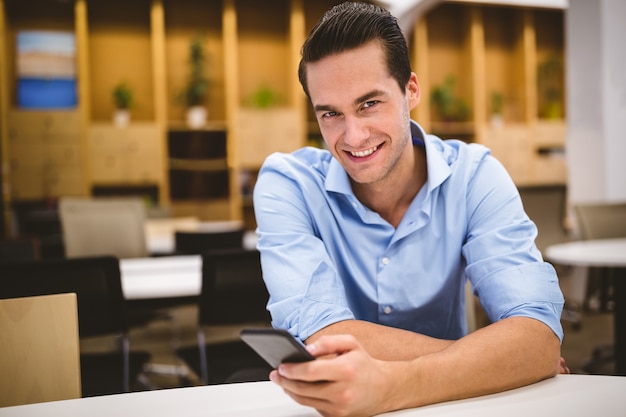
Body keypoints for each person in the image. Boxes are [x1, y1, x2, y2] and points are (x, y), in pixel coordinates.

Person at [253, 2, 568, 416]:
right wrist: (494, 358)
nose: (353, 135)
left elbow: (537, 335)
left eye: (369, 103)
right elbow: (323, 338)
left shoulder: (474, 176)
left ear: (411, 90)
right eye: (330, 113)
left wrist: (394, 385)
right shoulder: (288, 184)